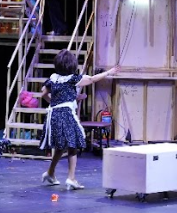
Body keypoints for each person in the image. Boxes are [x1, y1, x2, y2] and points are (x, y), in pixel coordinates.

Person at [38, 49, 120, 190]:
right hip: (66, 114)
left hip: (53, 115)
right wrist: (109, 72)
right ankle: (71, 178)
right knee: (73, 145)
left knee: (61, 146)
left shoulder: (53, 79)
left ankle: (50, 173)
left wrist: (54, 102)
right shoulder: (73, 79)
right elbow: (92, 79)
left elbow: (43, 93)